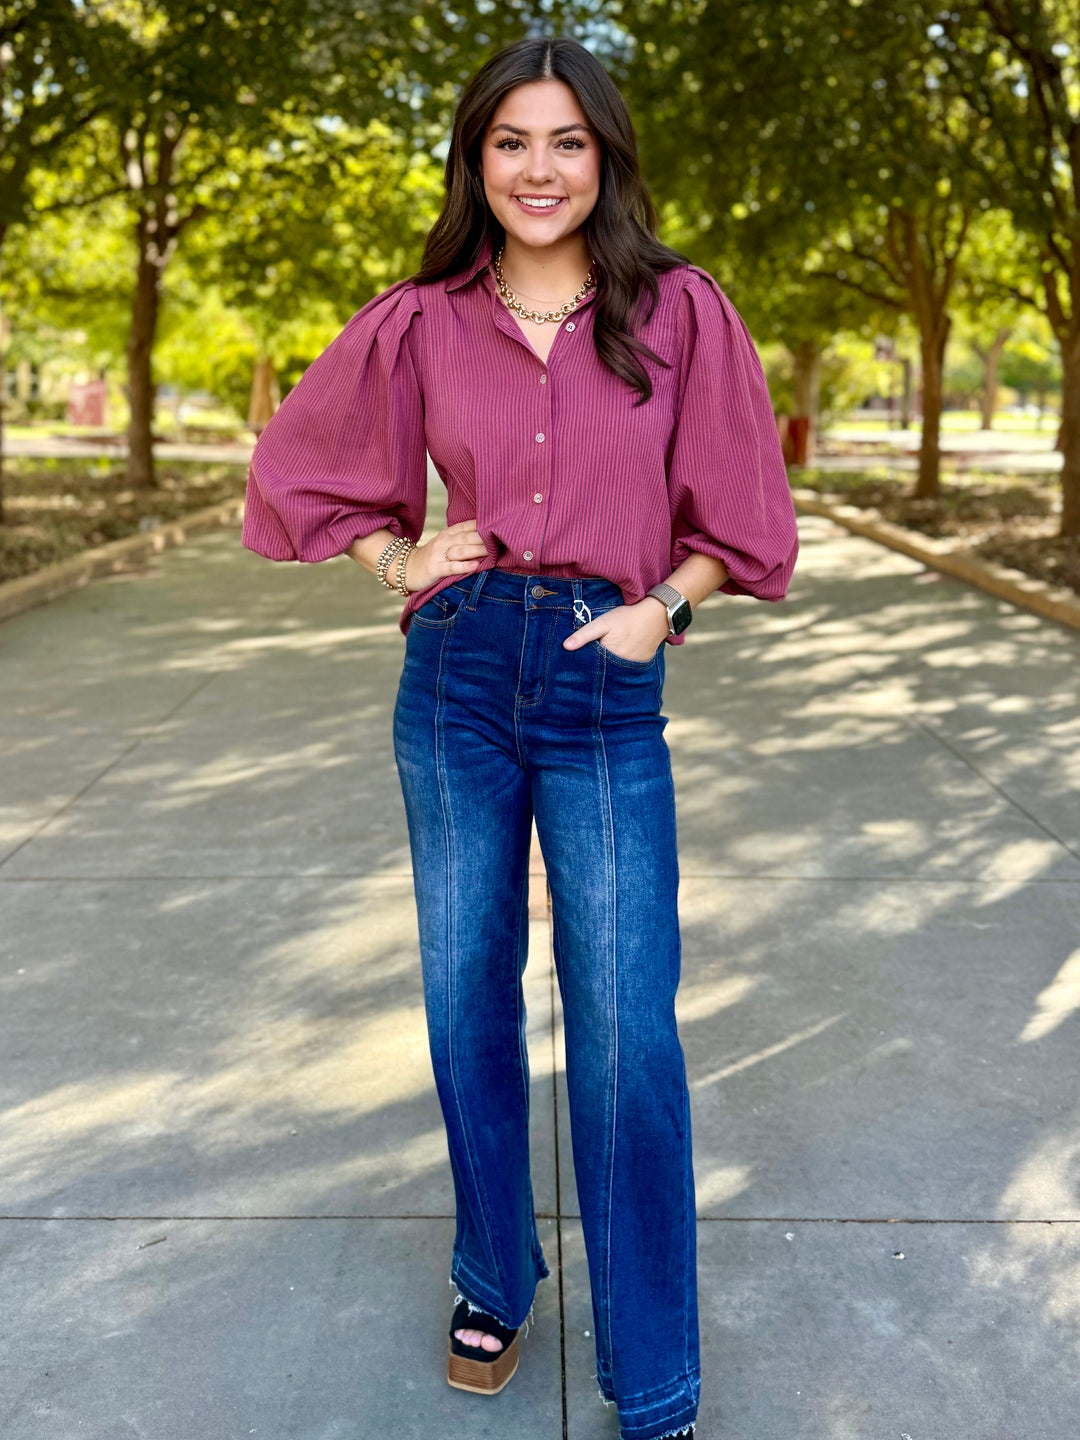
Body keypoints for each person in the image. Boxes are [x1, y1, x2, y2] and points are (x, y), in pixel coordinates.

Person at [241, 33, 799, 1440]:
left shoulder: (681, 311)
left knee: (625, 1028)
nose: (538, 169)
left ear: (603, 157)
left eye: (566, 142)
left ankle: (653, 1369)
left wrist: (661, 611)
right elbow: (307, 471)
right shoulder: (420, 318)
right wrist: (402, 563)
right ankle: (494, 1269)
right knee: (464, 994)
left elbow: (739, 522)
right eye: (510, 142)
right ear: (474, 160)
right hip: (460, 676)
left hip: (609, 676)